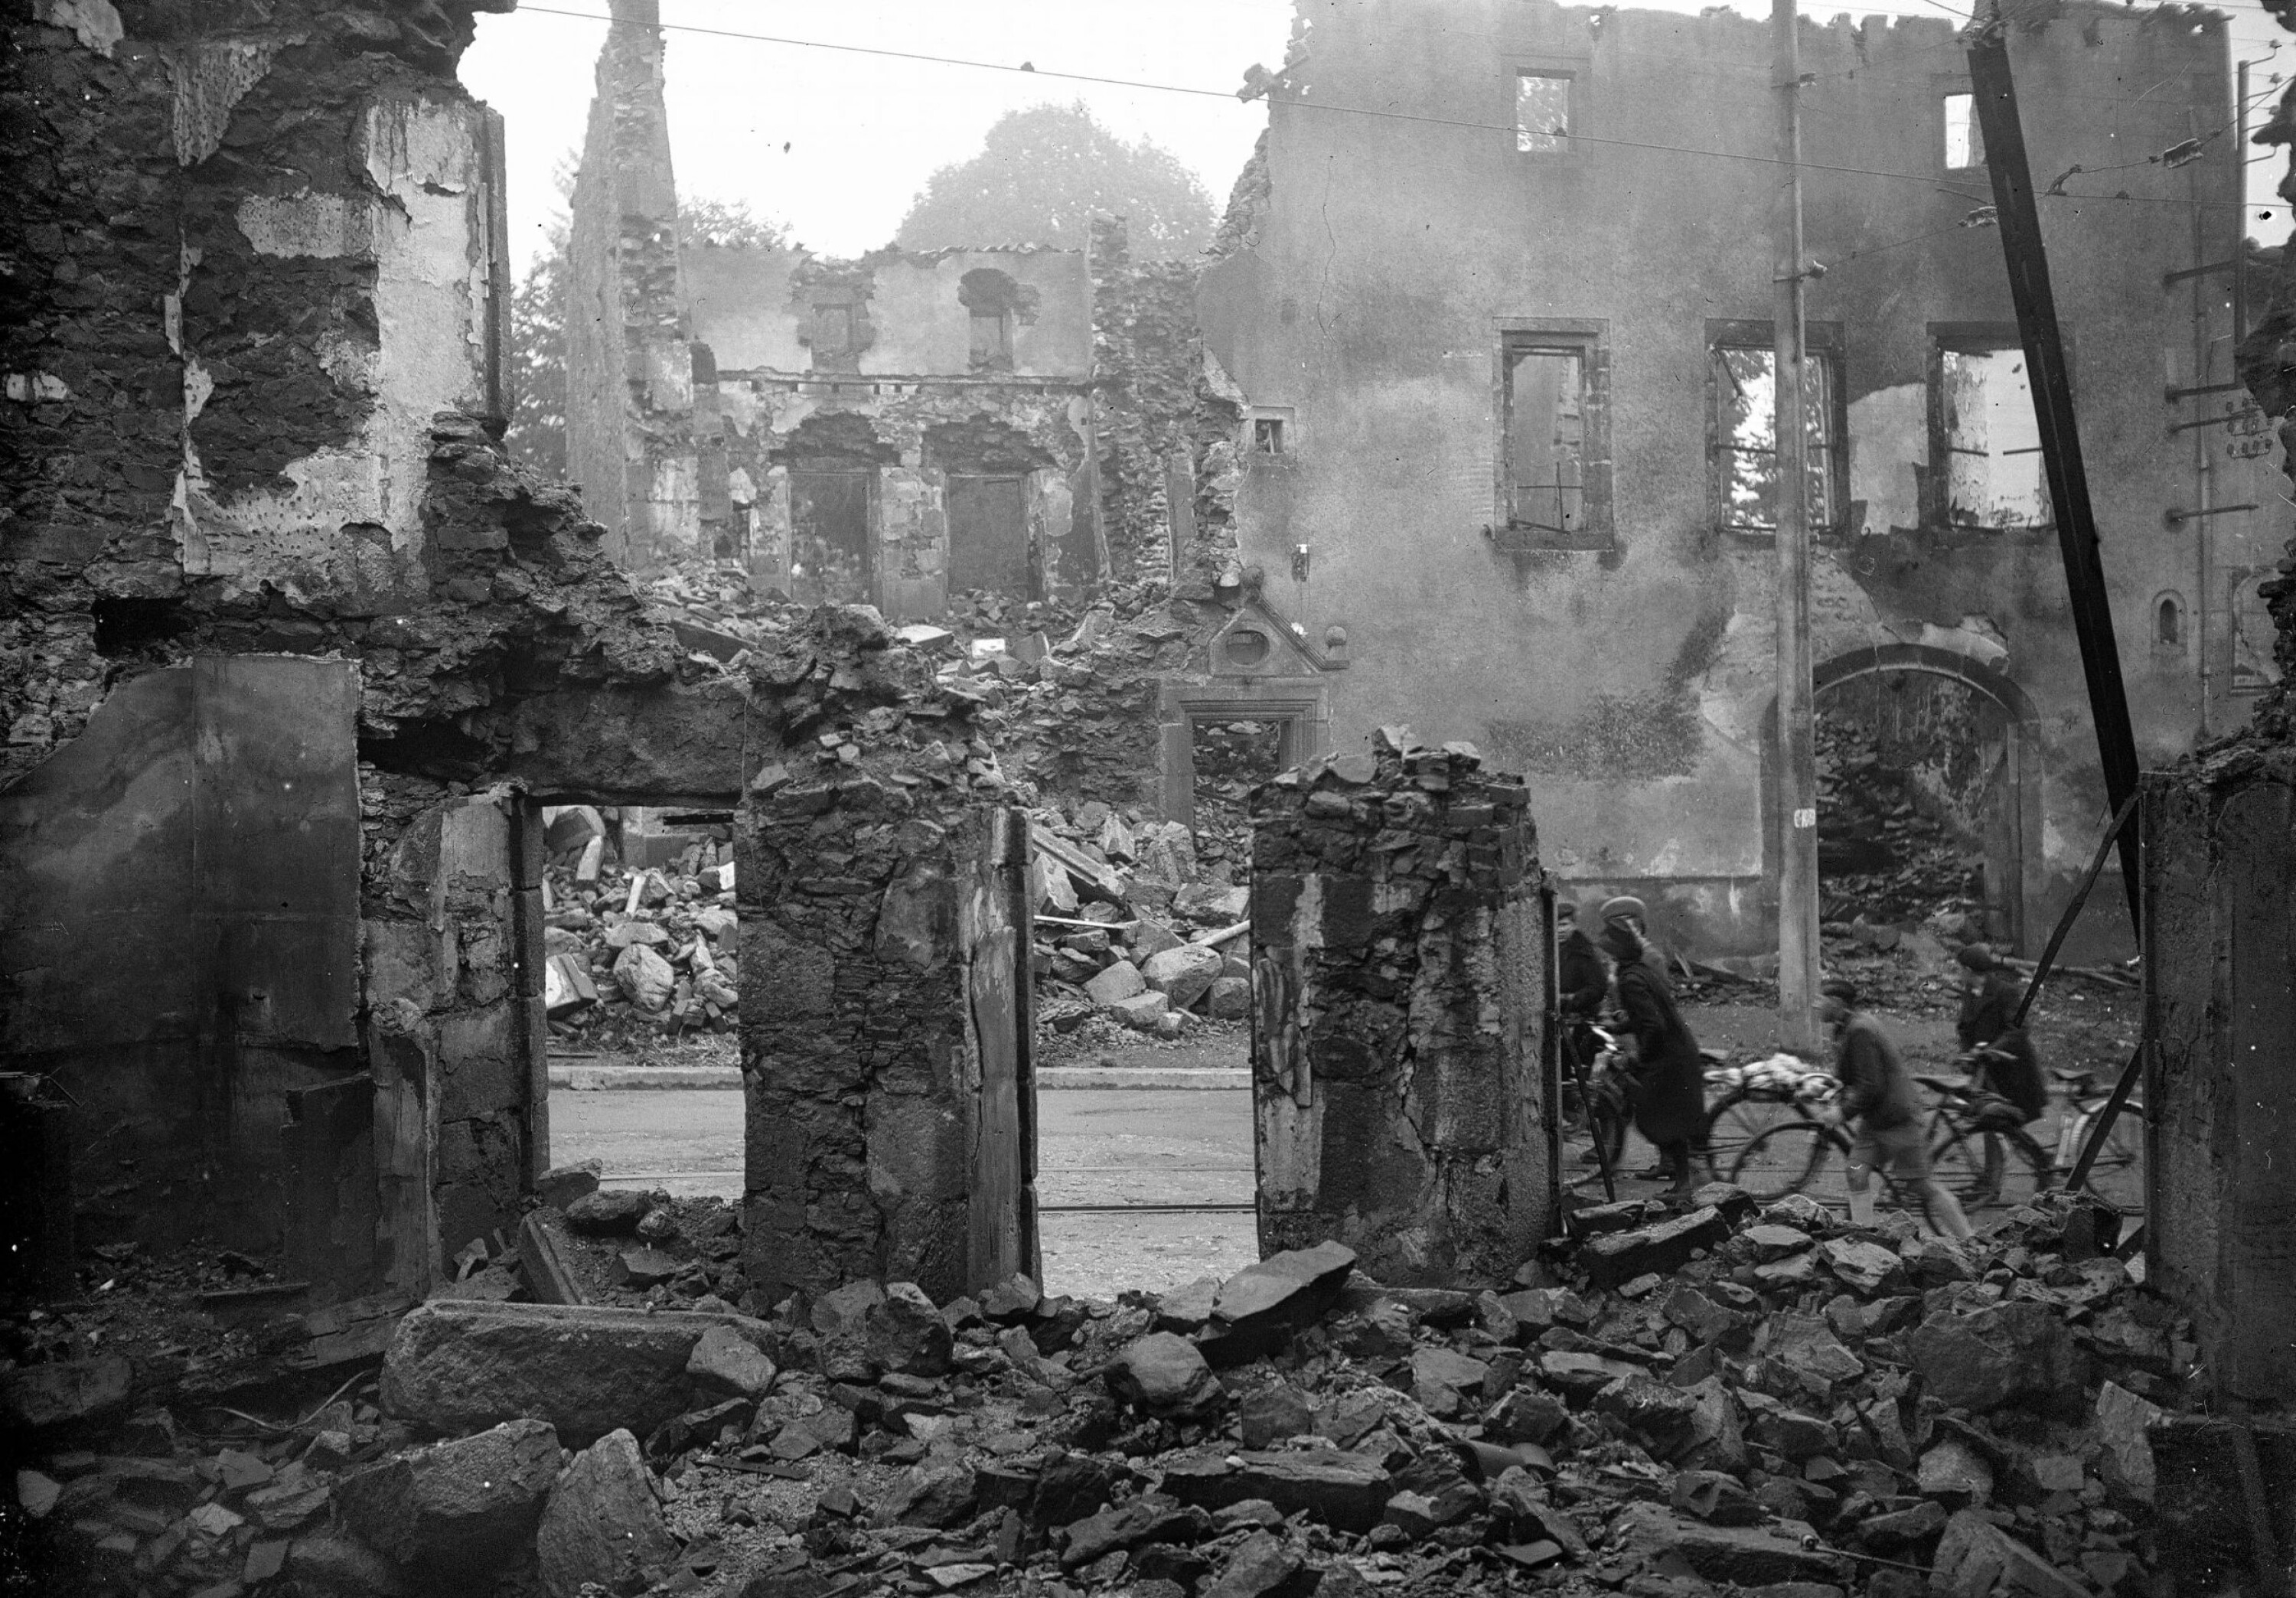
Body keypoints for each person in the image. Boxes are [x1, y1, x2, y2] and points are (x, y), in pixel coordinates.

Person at [1821, 979, 1973, 1240]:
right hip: (1878, 1120)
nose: (1816, 1004)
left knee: (1921, 1185)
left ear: (1837, 1003)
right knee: (1856, 1173)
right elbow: (1855, 1074)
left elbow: (1871, 1085)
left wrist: (1842, 1112)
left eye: (1821, 999)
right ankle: (1865, 1240)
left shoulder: (1860, 1030)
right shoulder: (1847, 1027)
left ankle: (1969, 1240)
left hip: (1898, 1119)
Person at [1599, 896, 1706, 1195]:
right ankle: (1681, 1178)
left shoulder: (1631, 978)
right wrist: (1620, 1026)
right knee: (1664, 1118)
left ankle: (1684, 1182)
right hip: (1675, 1050)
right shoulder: (1636, 970)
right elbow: (1646, 1016)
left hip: (1668, 1055)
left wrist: (1641, 1059)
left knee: (1657, 1117)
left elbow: (1653, 1025)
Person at [1952, 944, 2046, 1203]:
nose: (1958, 974)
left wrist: (1990, 1049)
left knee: (2011, 1127)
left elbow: (2018, 1030)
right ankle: (1991, 1183)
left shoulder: (2006, 992)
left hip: (2014, 1072)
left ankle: (2042, 1172)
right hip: (1989, 1071)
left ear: (1970, 971)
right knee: (1990, 1125)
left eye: (1960, 969)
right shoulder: (1970, 992)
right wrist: (1968, 1053)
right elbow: (1964, 1027)